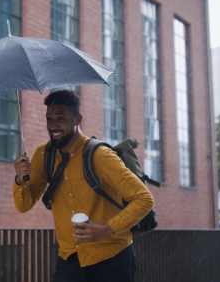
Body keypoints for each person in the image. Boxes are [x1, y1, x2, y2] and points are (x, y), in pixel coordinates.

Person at [12, 90, 154, 282]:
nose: (53, 125)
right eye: (49, 118)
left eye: (60, 118)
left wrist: (106, 229)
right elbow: (24, 205)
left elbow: (144, 199)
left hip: (111, 258)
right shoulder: (44, 154)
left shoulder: (100, 155)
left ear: (77, 119)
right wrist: (20, 180)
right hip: (69, 259)